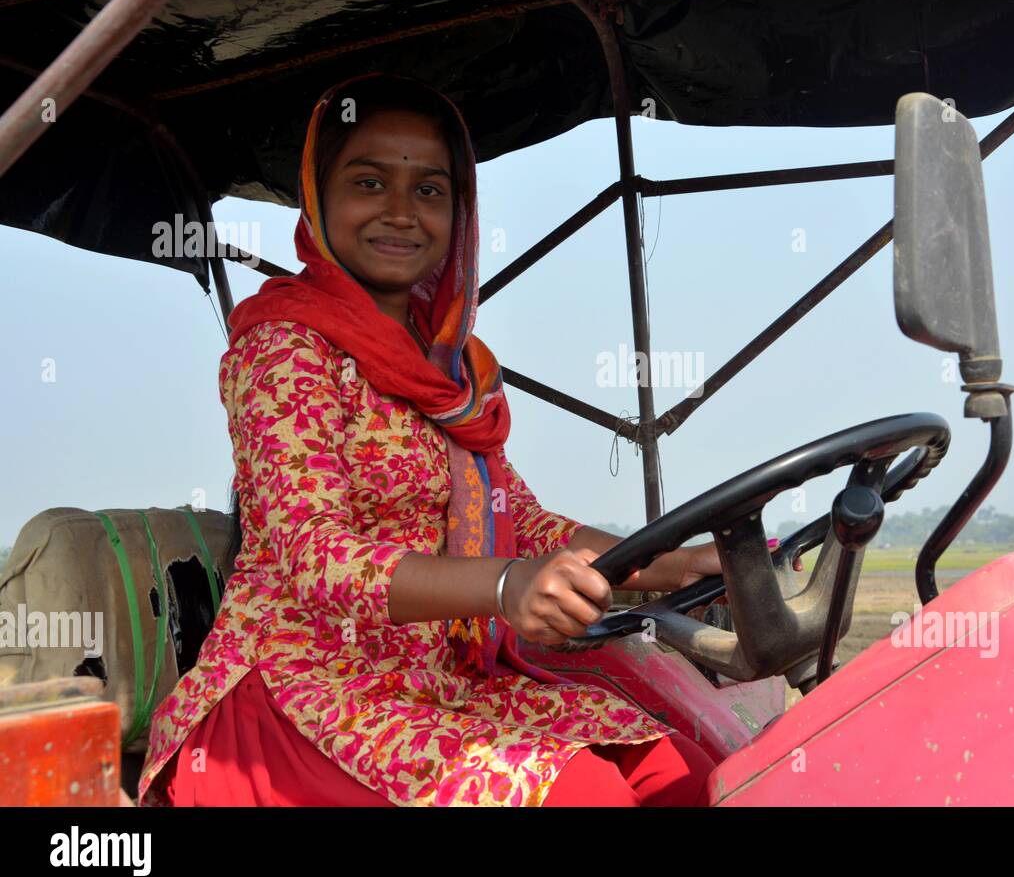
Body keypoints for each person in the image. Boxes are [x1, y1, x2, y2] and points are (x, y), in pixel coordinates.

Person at [137, 72, 723, 807]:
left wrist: (677, 563)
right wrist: (505, 585)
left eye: (429, 190)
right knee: (584, 797)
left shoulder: (450, 368)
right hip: (301, 688)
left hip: (435, 680)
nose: (401, 212)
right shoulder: (285, 348)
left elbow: (521, 519)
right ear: (319, 200)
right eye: (369, 182)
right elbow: (316, 556)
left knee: (682, 770)